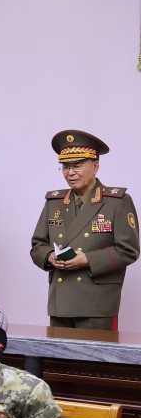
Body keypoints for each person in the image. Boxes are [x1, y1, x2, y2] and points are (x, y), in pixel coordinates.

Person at [30, 130, 140, 330]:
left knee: (94, 361)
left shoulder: (117, 202)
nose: (70, 173)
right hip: (60, 303)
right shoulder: (54, 202)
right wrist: (49, 257)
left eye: (77, 166)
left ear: (95, 166)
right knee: (58, 360)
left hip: (97, 305)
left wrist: (87, 259)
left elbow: (128, 250)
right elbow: (37, 246)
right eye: (65, 166)